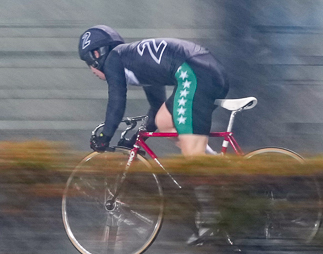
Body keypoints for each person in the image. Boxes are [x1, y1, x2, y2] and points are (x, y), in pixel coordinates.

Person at [79, 25, 227, 158]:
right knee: (164, 121)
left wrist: (105, 136)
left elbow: (116, 103)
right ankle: (213, 161)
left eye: (88, 63)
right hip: (209, 73)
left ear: (96, 55)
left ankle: (206, 174)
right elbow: (156, 106)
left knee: (193, 158)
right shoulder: (135, 61)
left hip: (194, 75)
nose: (91, 70)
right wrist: (135, 139)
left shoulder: (113, 59)